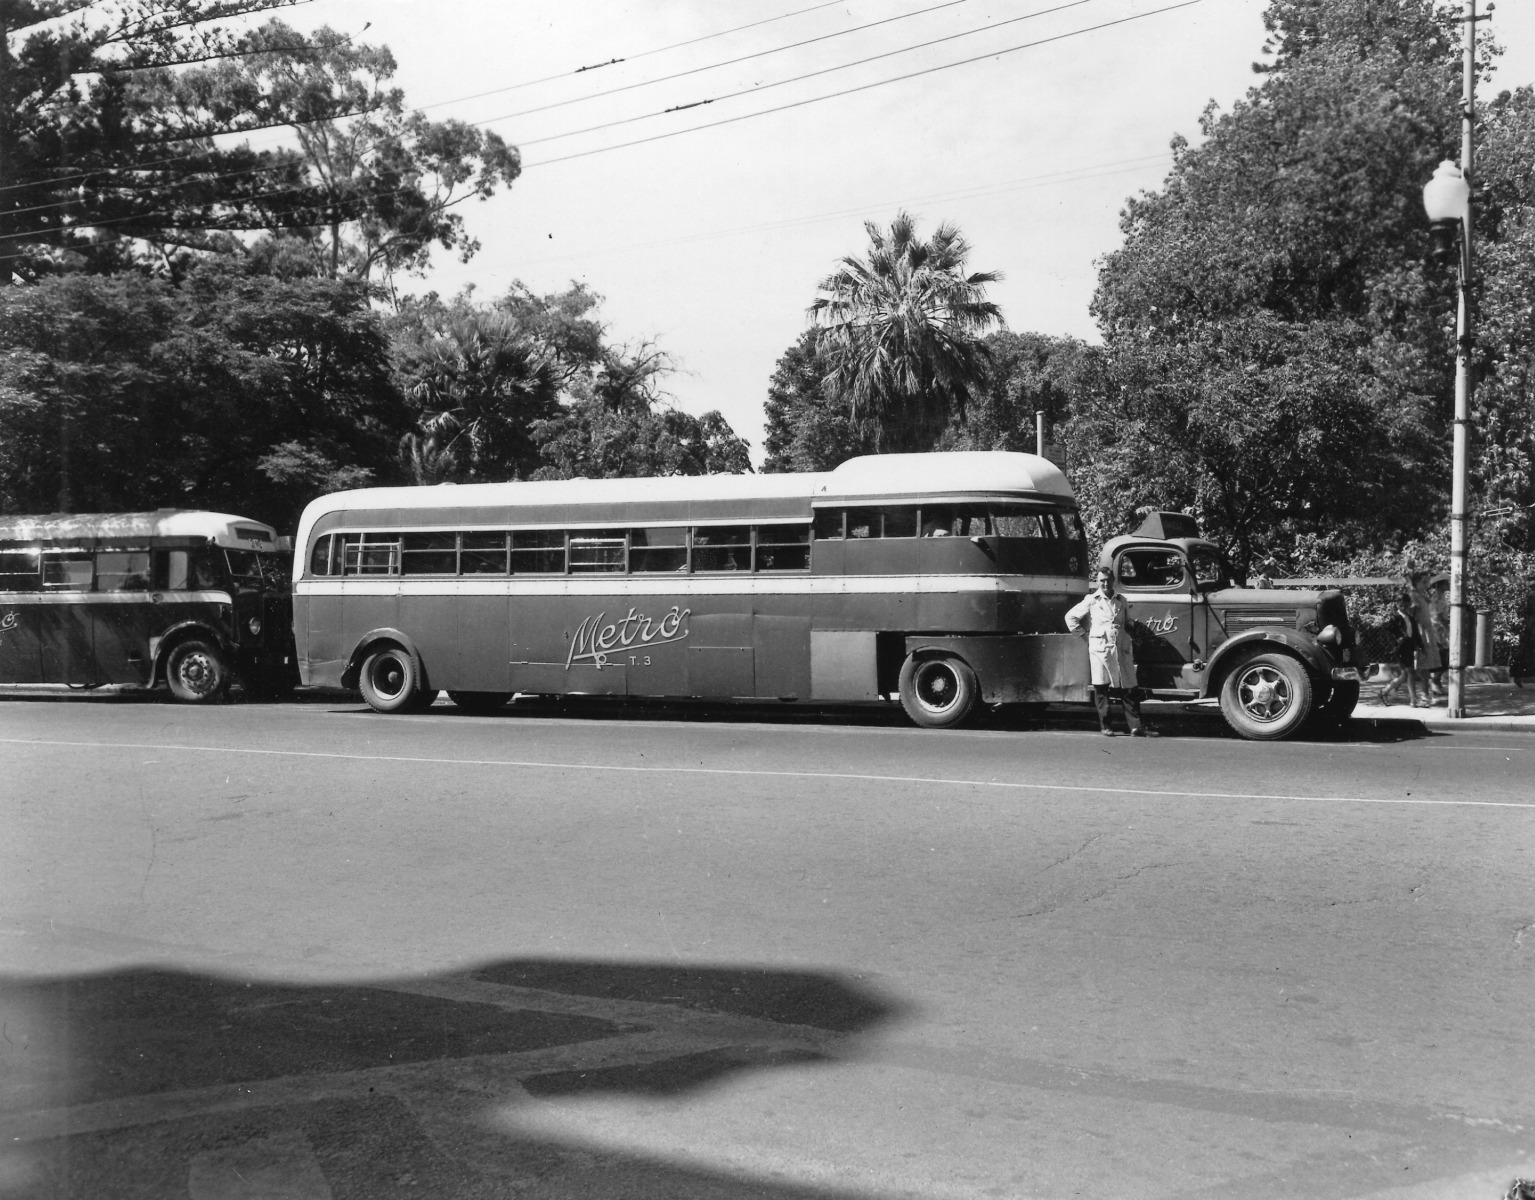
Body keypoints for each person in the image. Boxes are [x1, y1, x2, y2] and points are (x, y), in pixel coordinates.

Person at [1066, 566, 1158, 736]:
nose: (1105, 583)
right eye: (1102, 580)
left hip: (1121, 646)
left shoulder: (1121, 600)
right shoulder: (1092, 599)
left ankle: (1135, 727)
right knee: (1102, 687)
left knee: (1129, 687)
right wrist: (1085, 638)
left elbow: (1127, 621)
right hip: (1100, 648)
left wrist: (1133, 628)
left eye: (1108, 580)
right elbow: (1070, 617)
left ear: (1113, 580)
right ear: (1098, 581)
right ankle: (1106, 726)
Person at [1380, 590, 1422, 707]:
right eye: (1400, 604)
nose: (1403, 607)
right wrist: (1397, 638)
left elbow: (1416, 634)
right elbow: (1388, 630)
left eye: (1405, 604)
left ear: (1409, 604)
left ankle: (1385, 691)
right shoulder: (1395, 618)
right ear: (1397, 605)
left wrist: (1420, 646)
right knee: (1410, 672)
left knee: (1404, 675)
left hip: (1409, 647)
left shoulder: (1411, 618)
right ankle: (1414, 699)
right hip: (1400, 649)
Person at [1408, 571, 1444, 703]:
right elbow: (1411, 616)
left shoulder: (1422, 596)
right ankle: (1423, 695)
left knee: (1426, 665)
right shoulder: (1414, 597)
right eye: (1423, 582)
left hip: (1427, 632)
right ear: (1415, 583)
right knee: (1421, 666)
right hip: (1420, 632)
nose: (1425, 585)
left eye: (1426, 582)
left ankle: (1424, 693)